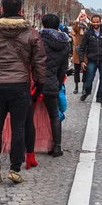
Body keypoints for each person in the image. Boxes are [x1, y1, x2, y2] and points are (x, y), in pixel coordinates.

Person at [0, 0, 47, 184]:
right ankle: (15, 169)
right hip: (20, 84)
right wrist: (39, 84)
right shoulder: (31, 33)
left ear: (1, 9)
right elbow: (40, 61)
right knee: (18, 127)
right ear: (21, 11)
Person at [39, 14, 71, 157]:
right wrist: (57, 84)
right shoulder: (65, 43)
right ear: (58, 26)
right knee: (54, 115)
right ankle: (57, 147)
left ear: (43, 25)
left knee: (26, 116)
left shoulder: (38, 40)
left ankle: (27, 147)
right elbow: (63, 68)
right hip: (52, 83)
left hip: (36, 83)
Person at [79, 15, 102, 104]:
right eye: (94, 22)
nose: (96, 23)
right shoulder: (88, 33)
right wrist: (82, 61)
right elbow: (82, 48)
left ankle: (99, 97)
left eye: (97, 22)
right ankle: (87, 92)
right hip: (92, 60)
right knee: (89, 80)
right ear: (91, 22)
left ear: (100, 21)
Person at [70, 18, 86, 94]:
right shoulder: (76, 31)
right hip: (77, 53)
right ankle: (76, 86)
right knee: (76, 70)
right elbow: (74, 26)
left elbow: (90, 25)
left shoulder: (88, 31)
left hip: (85, 53)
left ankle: (84, 86)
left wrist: (87, 19)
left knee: (85, 71)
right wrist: (78, 18)